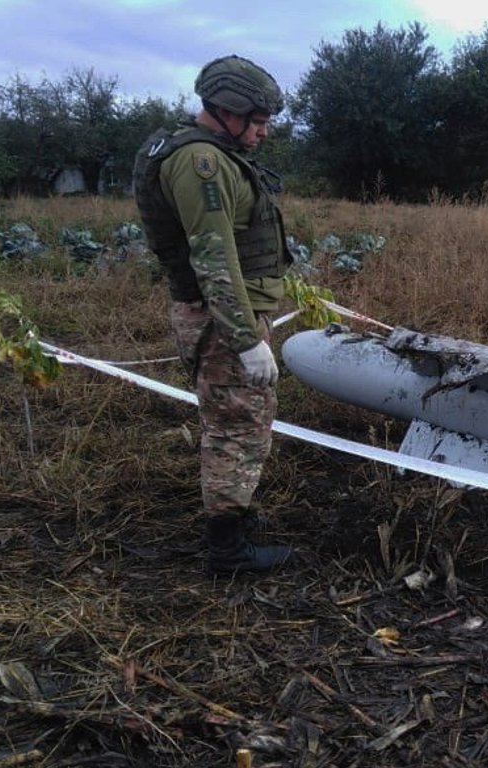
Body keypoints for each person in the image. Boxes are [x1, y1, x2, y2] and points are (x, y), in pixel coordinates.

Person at [132, 55, 293, 572]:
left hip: (226, 315)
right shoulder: (201, 163)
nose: (264, 133)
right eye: (259, 121)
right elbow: (213, 256)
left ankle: (236, 515)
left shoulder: (211, 154)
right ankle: (228, 551)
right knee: (236, 427)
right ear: (228, 110)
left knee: (245, 420)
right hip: (223, 320)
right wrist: (246, 338)